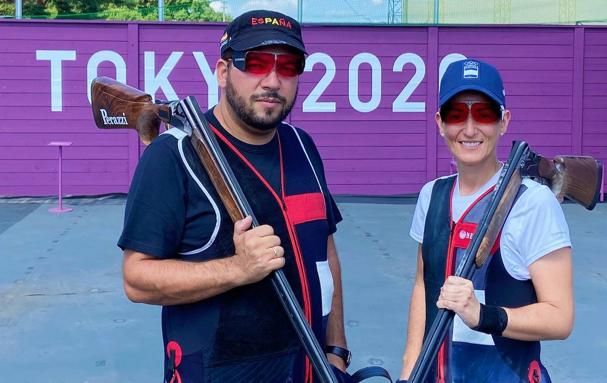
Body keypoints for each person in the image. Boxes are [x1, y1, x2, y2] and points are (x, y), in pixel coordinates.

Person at [118, 10, 350, 383]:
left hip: (310, 368)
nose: (272, 80)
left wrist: (337, 349)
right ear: (223, 72)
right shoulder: (173, 155)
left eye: (289, 66)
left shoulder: (302, 145)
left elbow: (326, 252)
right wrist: (238, 269)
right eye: (256, 63)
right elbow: (136, 278)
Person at [398, 59, 574, 383]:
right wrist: (409, 371)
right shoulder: (431, 195)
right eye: (455, 114)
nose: (468, 129)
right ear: (439, 122)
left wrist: (483, 316)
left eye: (484, 114)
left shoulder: (533, 202)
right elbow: (424, 285)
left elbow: (560, 318)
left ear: (503, 121)